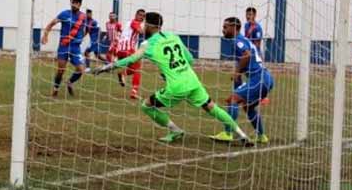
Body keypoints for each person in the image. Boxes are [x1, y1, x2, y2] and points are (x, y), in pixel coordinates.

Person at [93, 12, 253, 146]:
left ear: (150, 26)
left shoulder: (148, 43)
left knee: (146, 105)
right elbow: (190, 59)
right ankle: (242, 134)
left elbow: (130, 59)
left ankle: (175, 130)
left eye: (144, 24)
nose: (142, 27)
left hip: (176, 86)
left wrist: (105, 67)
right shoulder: (173, 36)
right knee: (212, 107)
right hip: (192, 80)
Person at [210, 17, 274, 144]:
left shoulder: (237, 41)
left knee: (232, 99)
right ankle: (261, 137)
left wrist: (237, 72)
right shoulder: (244, 40)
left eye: (225, 27)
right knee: (249, 107)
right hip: (267, 79)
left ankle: (227, 133)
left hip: (259, 78)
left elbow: (247, 55)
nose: (223, 30)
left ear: (234, 27)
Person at [41, 0, 86, 98]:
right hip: (64, 46)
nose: (74, 4)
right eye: (72, 2)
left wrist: (81, 38)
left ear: (80, 4)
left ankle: (70, 82)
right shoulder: (64, 14)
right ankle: (55, 89)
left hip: (75, 48)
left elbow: (85, 29)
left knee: (81, 69)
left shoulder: (82, 17)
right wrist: (45, 35)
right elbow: (51, 24)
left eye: (76, 3)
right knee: (61, 70)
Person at [116, 9, 145, 99]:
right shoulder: (134, 22)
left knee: (133, 70)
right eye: (140, 15)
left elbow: (121, 30)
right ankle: (134, 92)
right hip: (128, 49)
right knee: (138, 69)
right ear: (136, 14)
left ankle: (122, 74)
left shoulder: (128, 23)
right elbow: (141, 31)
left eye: (143, 16)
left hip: (120, 49)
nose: (141, 17)